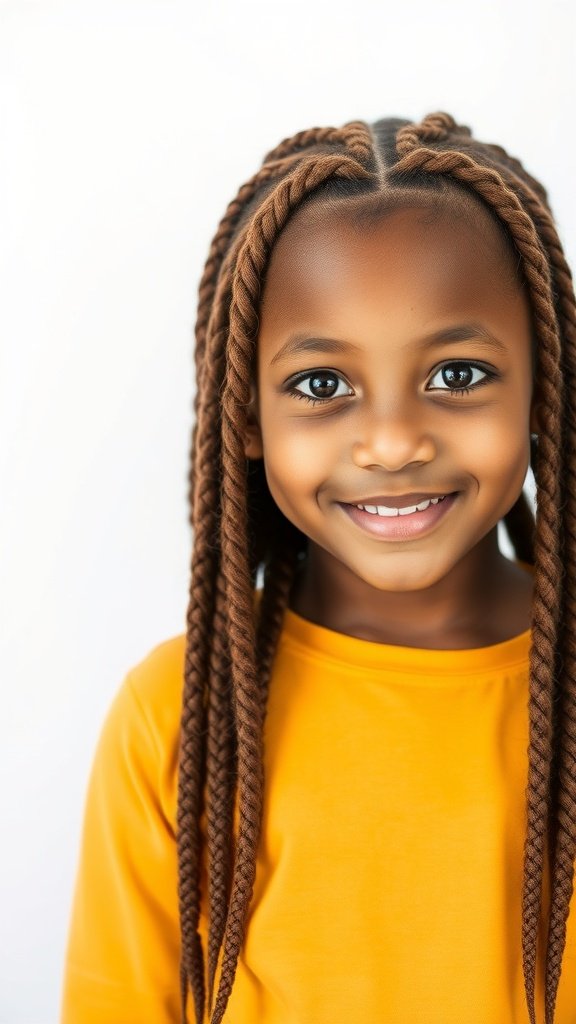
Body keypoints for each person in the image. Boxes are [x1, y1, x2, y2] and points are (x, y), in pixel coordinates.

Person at [60, 112, 576, 1024]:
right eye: (322, 385)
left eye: (457, 375)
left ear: (543, 389)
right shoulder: (179, 716)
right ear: (246, 416)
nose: (391, 443)